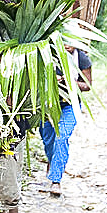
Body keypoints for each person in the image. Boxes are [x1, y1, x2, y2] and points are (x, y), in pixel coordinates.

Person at [40, 45, 92, 196]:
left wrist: (69, 81)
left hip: (70, 105)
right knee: (48, 139)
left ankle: (56, 181)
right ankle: (53, 162)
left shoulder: (80, 57)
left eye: (71, 42)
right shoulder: (47, 52)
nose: (68, 45)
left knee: (61, 136)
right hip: (48, 104)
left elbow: (87, 85)